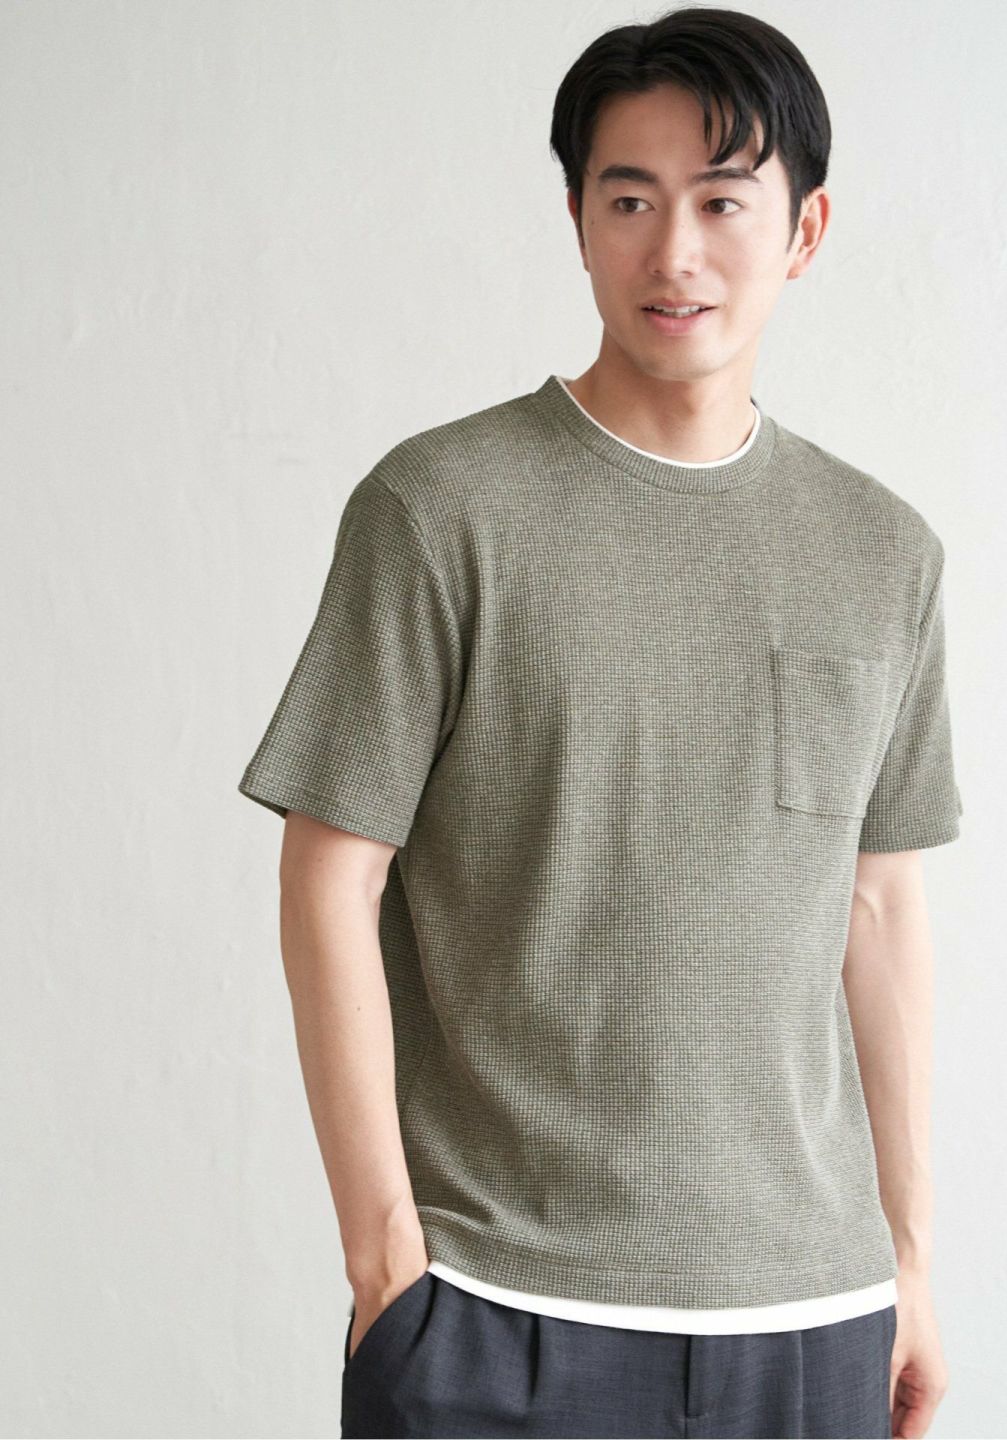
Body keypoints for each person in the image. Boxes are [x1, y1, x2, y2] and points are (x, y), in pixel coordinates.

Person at [237, 7, 964, 1437]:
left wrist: (912, 1264)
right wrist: (386, 1261)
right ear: (576, 219)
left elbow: (881, 910)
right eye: (629, 200)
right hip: (497, 1307)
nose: (673, 251)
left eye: (722, 203)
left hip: (812, 1319)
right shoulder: (440, 510)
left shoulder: (885, 552)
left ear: (805, 231)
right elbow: (330, 876)